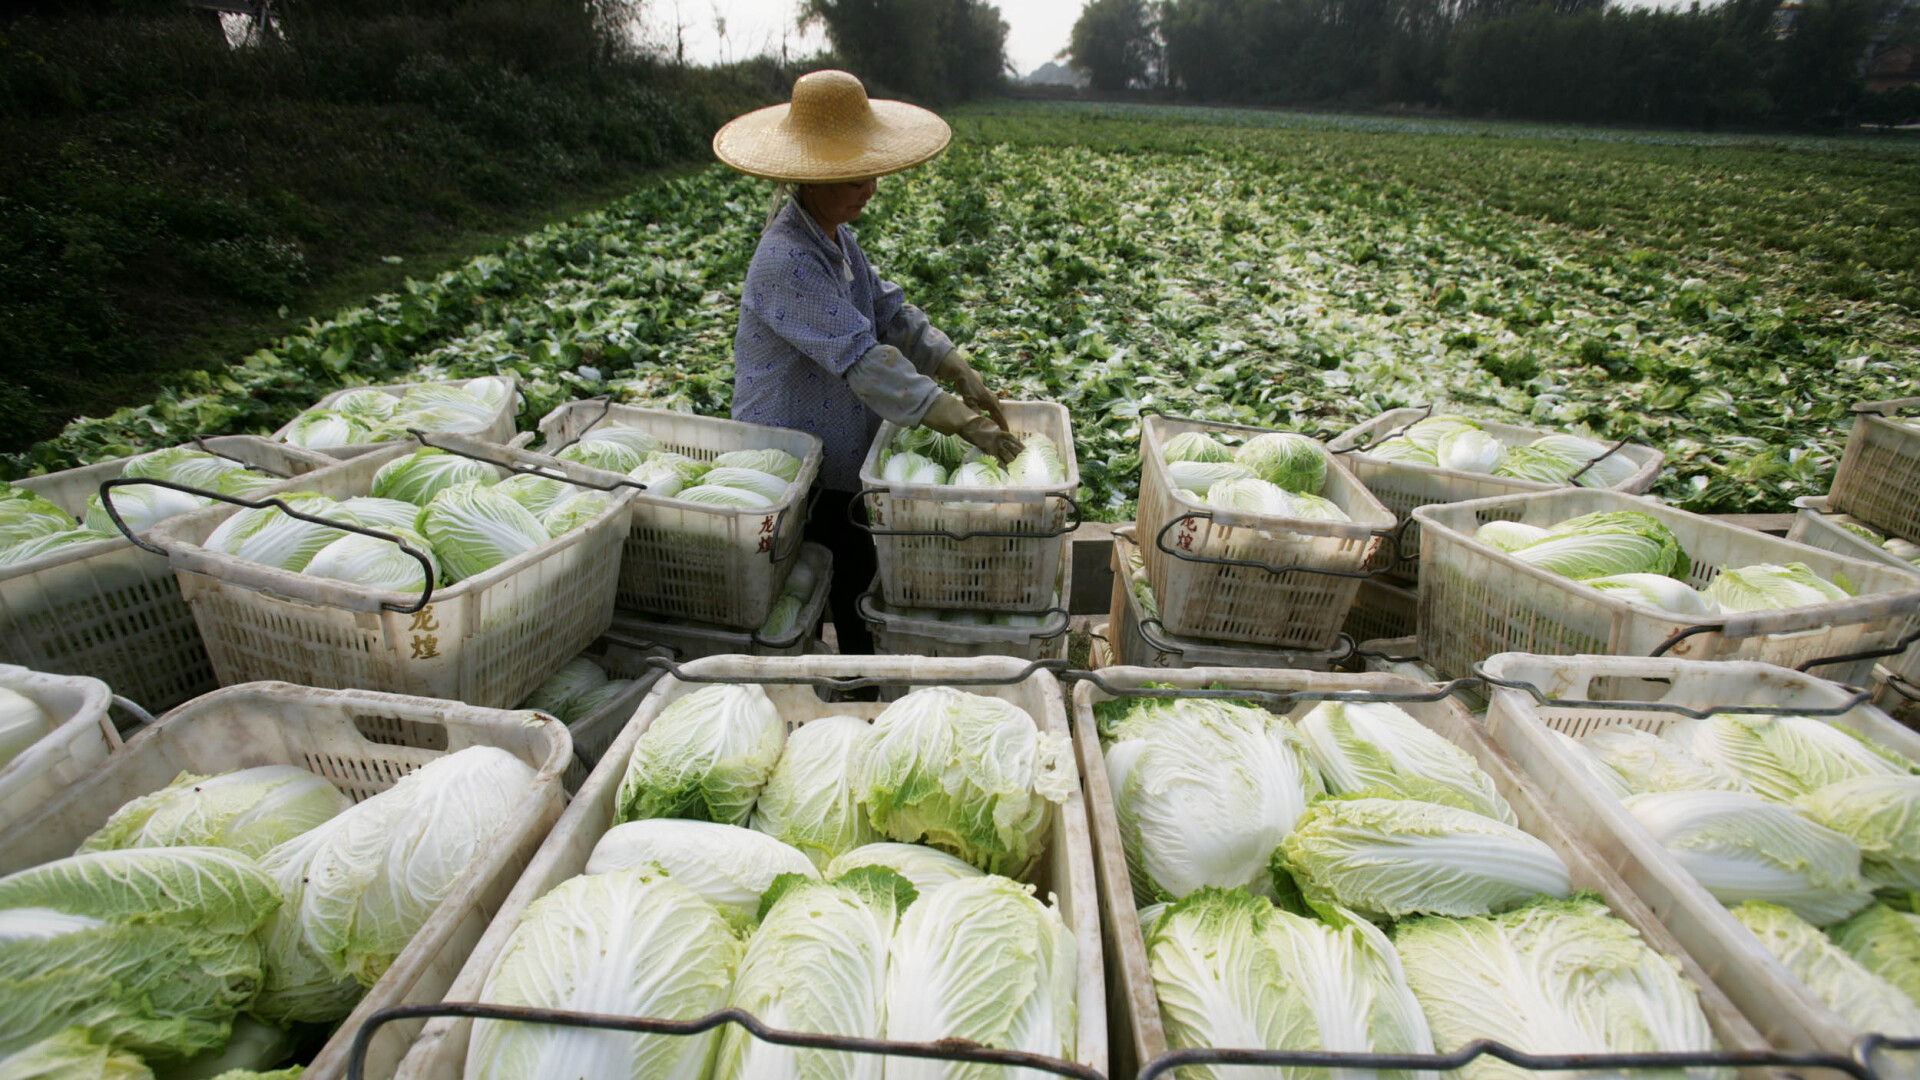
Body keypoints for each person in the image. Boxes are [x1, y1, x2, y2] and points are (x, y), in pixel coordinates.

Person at [714, 70, 1021, 654]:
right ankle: (854, 681)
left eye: (871, 172)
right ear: (808, 178)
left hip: (839, 446)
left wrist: (953, 364)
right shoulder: (787, 259)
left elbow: (886, 311)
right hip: (794, 455)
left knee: (852, 568)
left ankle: (856, 669)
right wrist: (959, 420)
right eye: (852, 177)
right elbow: (864, 358)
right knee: (844, 572)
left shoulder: (833, 236)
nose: (869, 188)